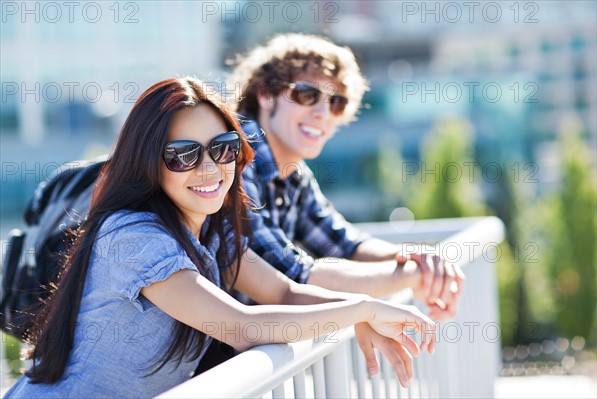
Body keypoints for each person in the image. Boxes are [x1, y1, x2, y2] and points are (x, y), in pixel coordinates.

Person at [4, 77, 436, 398]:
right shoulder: (133, 236)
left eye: (223, 147)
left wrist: (362, 316)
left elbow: (283, 295)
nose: (210, 168)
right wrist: (361, 309)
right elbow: (243, 327)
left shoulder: (208, 231)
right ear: (148, 164)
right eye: (183, 155)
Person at [229, 33, 464, 320]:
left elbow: (346, 244)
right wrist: (416, 275)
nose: (323, 113)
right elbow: (296, 277)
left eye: (336, 103)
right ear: (265, 93)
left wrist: (419, 256)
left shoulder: (292, 173)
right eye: (307, 94)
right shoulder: (233, 160)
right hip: (213, 362)